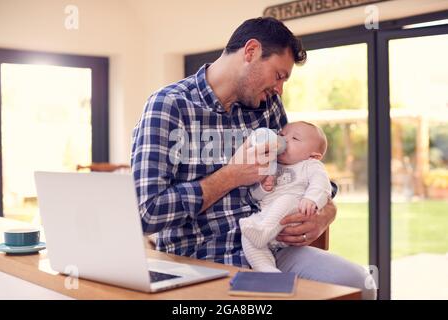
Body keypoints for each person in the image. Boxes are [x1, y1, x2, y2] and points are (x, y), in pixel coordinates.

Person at [131, 17, 376, 299]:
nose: (280, 89)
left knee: (359, 283)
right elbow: (144, 213)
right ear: (251, 52)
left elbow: (302, 168)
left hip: (271, 252)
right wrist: (230, 176)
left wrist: (326, 213)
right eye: (279, 75)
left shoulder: (267, 106)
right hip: (201, 261)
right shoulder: (169, 106)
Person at [239, 121, 332, 273]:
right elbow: (255, 196)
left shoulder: (310, 165)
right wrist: (263, 188)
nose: (283, 140)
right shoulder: (270, 164)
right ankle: (267, 269)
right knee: (248, 232)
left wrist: (311, 200)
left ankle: (263, 232)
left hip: (294, 214)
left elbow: (322, 186)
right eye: (282, 135)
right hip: (269, 220)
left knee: (286, 200)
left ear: (313, 155)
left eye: (295, 139)